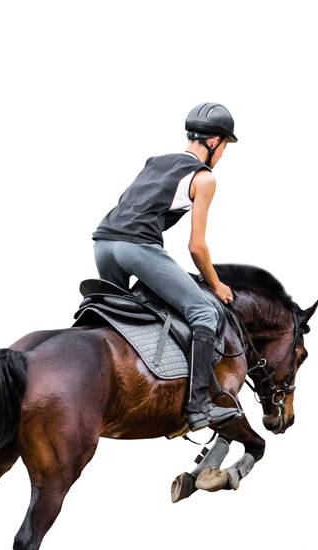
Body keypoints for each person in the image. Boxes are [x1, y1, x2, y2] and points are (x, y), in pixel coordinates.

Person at [91, 102, 244, 431]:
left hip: (103, 245)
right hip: (137, 248)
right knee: (203, 312)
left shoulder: (154, 162)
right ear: (215, 142)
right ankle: (199, 406)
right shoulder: (204, 178)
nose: (223, 155)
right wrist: (216, 285)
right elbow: (197, 246)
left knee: (123, 313)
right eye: (226, 147)